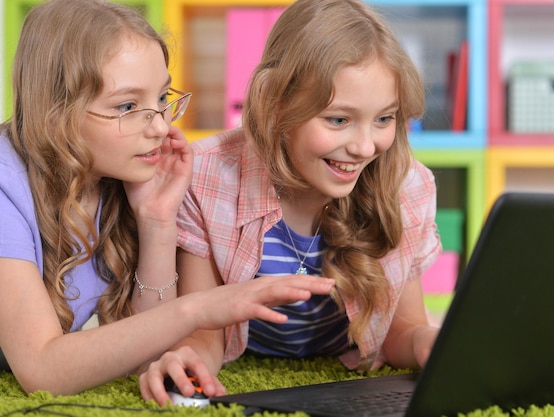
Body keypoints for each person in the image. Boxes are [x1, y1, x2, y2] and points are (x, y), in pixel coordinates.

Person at [0, 0, 335, 399]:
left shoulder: (114, 176)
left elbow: (146, 355)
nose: (160, 126)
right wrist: (200, 308)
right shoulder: (7, 185)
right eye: (127, 106)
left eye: (161, 99)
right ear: (55, 112)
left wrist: (157, 219)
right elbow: (42, 369)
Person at [140, 0, 442, 406]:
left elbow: (401, 331)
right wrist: (188, 358)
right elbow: (205, 332)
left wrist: (428, 341)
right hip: (248, 356)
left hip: (344, 363)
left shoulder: (407, 185)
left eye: (384, 118)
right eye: (338, 119)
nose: (365, 146)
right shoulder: (209, 178)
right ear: (276, 104)